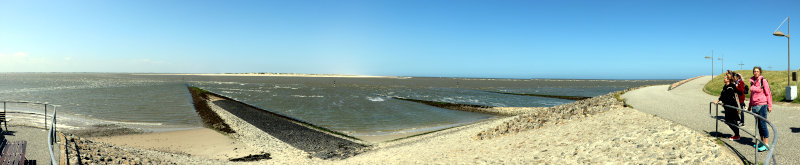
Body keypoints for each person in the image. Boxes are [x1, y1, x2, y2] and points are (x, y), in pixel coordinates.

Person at [749, 66, 772, 152]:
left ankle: (766, 144)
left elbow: (768, 93)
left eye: (757, 71)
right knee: (758, 125)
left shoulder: (763, 81)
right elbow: (752, 95)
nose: (755, 73)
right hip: (755, 106)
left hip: (762, 105)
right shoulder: (752, 82)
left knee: (763, 124)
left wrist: (770, 105)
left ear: (760, 72)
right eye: (754, 71)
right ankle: (762, 142)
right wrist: (749, 105)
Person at [715, 72, 741, 140]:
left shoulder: (731, 86)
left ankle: (737, 135)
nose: (724, 78)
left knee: (732, 121)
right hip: (727, 106)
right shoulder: (725, 86)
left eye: (726, 78)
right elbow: (722, 95)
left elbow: (729, 96)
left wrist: (724, 102)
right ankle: (737, 134)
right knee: (729, 121)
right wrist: (718, 100)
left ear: (729, 79)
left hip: (731, 106)